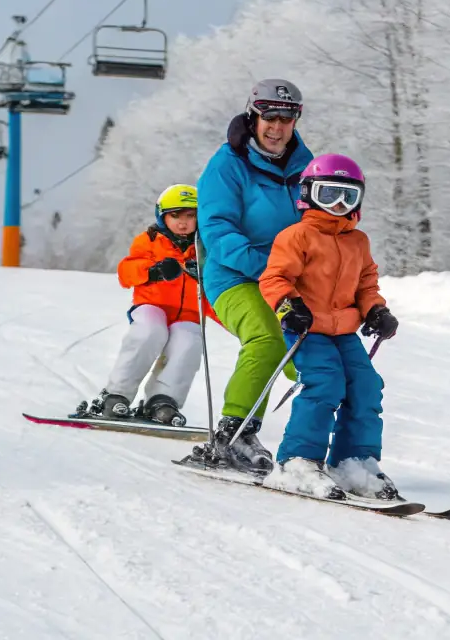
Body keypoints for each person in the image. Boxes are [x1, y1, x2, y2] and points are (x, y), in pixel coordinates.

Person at [258, 154, 400, 500]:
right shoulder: (297, 236)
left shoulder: (358, 241)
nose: (338, 204)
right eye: (329, 194)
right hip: (307, 329)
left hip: (344, 330)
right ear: (309, 194)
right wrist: (289, 305)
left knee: (366, 385)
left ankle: (354, 462)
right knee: (325, 382)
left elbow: (366, 284)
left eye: (347, 196)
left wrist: (376, 310)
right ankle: (298, 460)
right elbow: (274, 277)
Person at [194, 78, 314, 474]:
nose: (277, 128)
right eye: (269, 118)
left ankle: (319, 446)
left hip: (290, 281)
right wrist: (271, 269)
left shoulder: (305, 166)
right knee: (268, 336)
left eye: (286, 119)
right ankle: (234, 434)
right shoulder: (227, 165)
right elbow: (217, 230)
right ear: (253, 116)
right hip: (235, 278)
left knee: (321, 353)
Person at [87, 184, 206, 426]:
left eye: (190, 215)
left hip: (189, 314)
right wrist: (154, 271)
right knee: (149, 332)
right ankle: (116, 394)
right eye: (175, 215)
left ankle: (162, 400)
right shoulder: (150, 241)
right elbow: (126, 271)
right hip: (152, 305)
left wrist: (205, 275)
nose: (183, 223)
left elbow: (218, 292)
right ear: (162, 216)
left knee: (189, 343)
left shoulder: (205, 249)